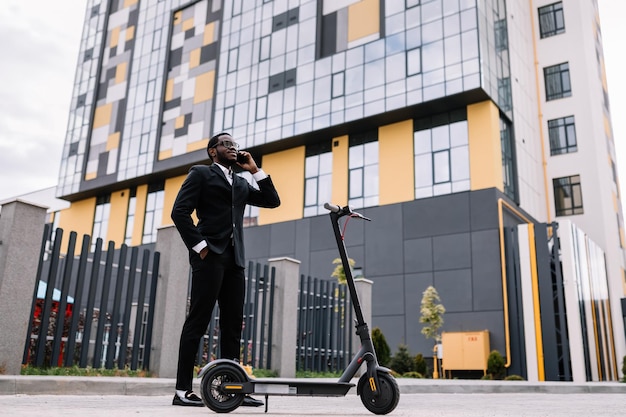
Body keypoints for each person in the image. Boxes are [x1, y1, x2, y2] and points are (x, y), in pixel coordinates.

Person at [170, 132, 280, 407]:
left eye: (235, 145)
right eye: (226, 144)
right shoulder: (200, 174)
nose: (232, 148)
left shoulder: (242, 182)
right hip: (210, 256)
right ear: (212, 151)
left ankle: (233, 388)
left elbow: (272, 201)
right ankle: (182, 390)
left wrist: (254, 169)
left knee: (232, 325)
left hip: (235, 260)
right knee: (198, 320)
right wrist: (200, 247)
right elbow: (179, 212)